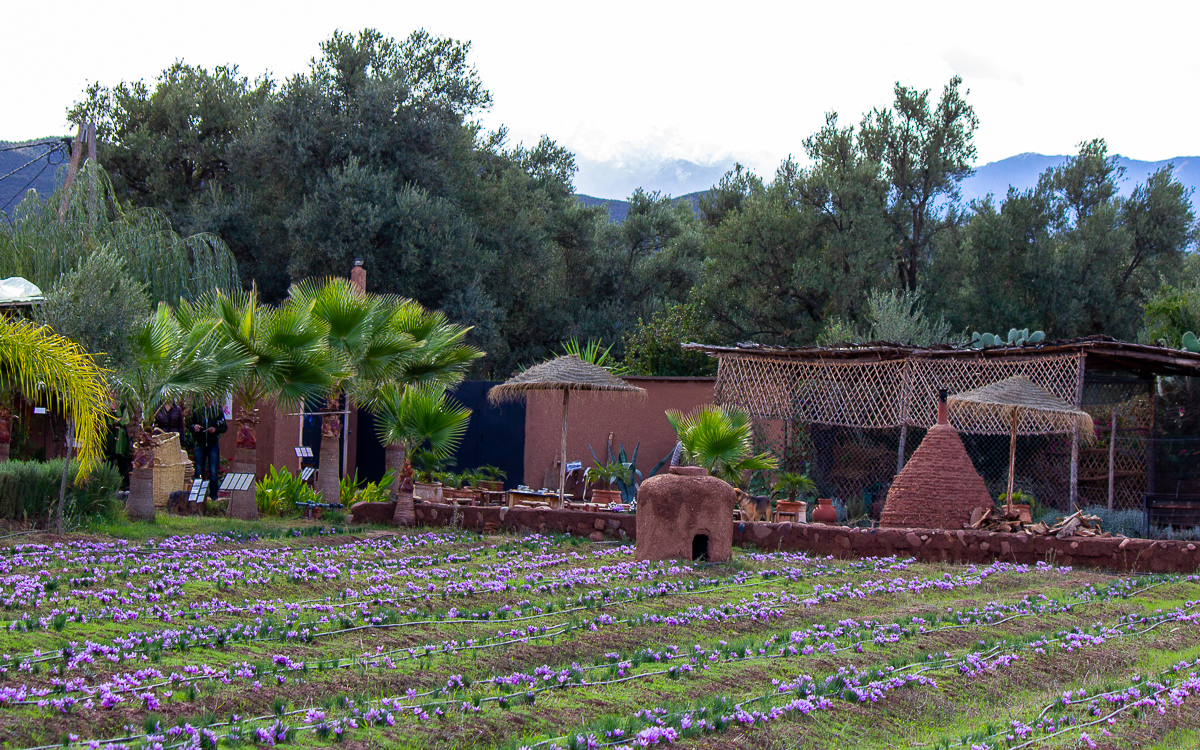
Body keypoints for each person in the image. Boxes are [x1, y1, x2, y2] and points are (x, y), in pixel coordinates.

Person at [190, 398, 227, 500]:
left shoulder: (217, 411)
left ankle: (213, 496)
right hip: (200, 444)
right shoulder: (197, 411)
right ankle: (198, 495)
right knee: (198, 471)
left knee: (213, 471)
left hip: (213, 444)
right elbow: (191, 425)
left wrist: (215, 430)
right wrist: (195, 427)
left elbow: (224, 427)